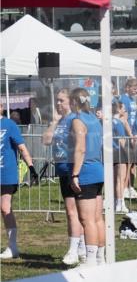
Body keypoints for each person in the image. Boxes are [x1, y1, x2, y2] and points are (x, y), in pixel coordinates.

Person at [43, 89, 87, 265]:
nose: (58, 104)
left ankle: (74, 249)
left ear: (70, 101)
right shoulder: (59, 120)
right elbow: (45, 140)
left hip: (73, 168)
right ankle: (81, 248)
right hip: (61, 169)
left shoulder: (74, 119)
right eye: (57, 101)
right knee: (73, 212)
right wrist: (54, 121)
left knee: (73, 211)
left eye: (62, 101)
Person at [66, 89, 107, 265]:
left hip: (87, 172)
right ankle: (100, 258)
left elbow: (80, 148)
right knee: (97, 218)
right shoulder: (95, 120)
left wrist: (75, 174)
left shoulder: (78, 120)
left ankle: (90, 261)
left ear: (75, 101)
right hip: (98, 170)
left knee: (86, 219)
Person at [0, 111, 38, 260]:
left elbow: (21, 147)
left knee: (5, 207)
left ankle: (12, 246)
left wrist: (31, 167)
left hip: (6, 174)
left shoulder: (9, 125)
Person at [112, 100, 134, 213]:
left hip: (110, 152)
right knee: (120, 179)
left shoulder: (109, 121)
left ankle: (117, 202)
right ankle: (120, 203)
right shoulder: (117, 122)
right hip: (119, 152)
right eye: (123, 109)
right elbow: (122, 140)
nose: (125, 111)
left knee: (115, 179)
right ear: (119, 109)